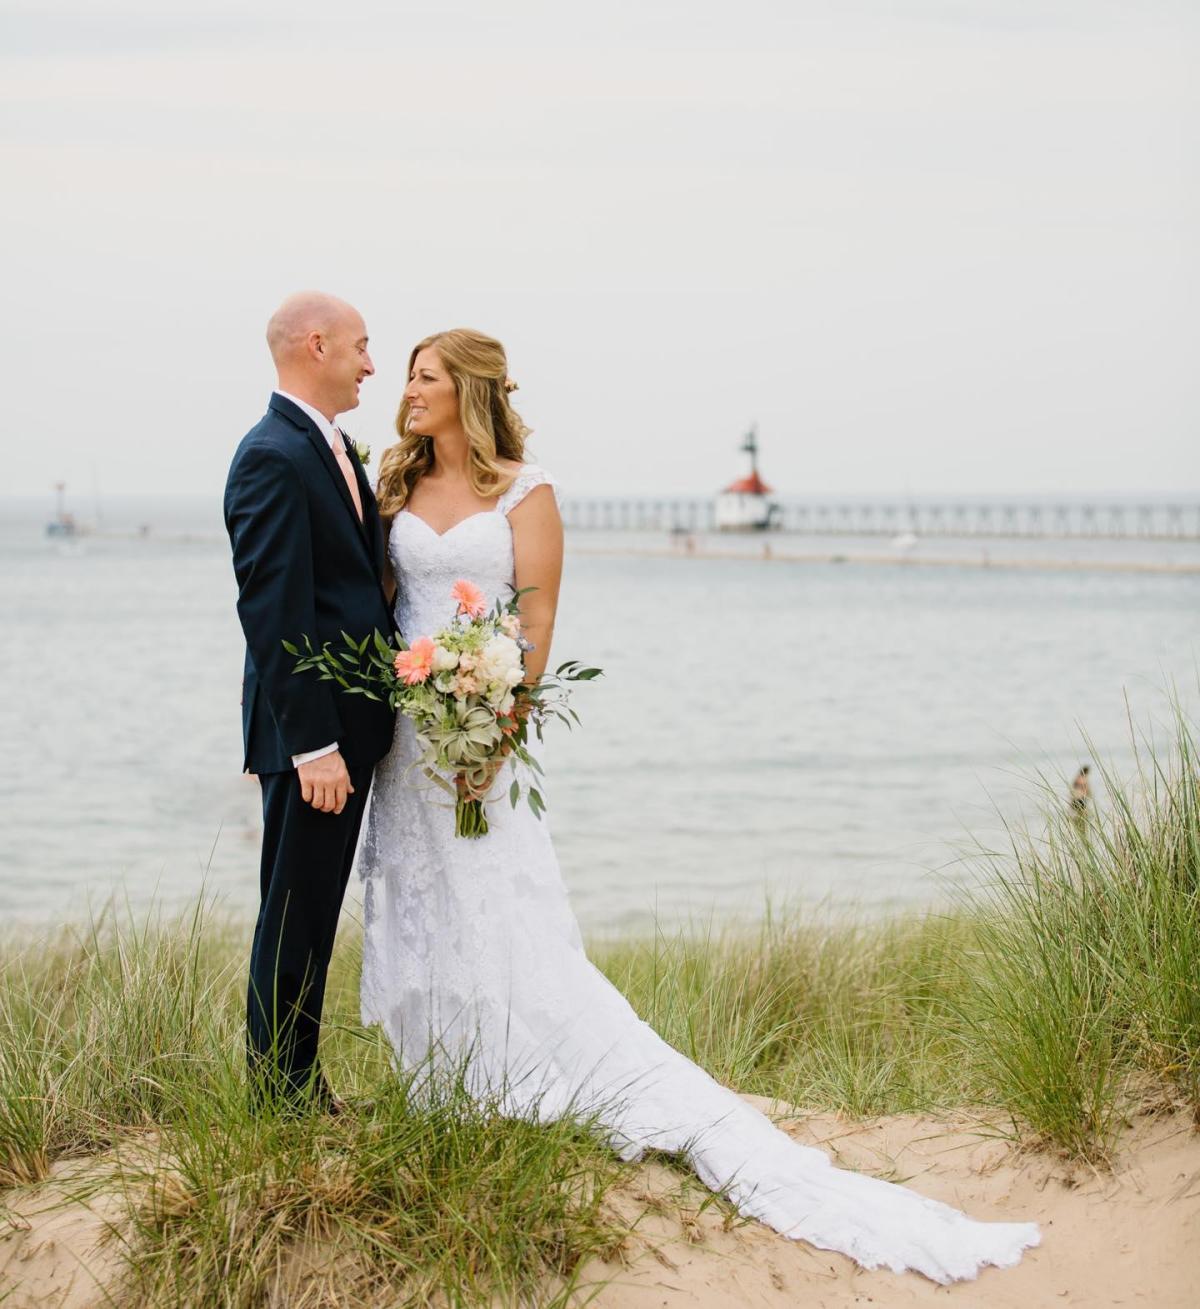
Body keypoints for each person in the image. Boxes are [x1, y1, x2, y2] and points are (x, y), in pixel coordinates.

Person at [356, 328, 1040, 1283]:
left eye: (424, 376)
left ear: (467, 388)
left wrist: (494, 732)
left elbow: (537, 623)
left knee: (494, 897)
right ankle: (441, 1080)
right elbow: (376, 604)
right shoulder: (392, 485)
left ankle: (513, 1068)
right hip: (407, 736)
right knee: (424, 896)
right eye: (407, 377)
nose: (407, 390)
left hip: (478, 734)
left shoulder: (525, 489)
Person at [224, 292, 395, 1111]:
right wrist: (315, 744)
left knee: (313, 914)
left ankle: (298, 1084)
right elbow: (274, 609)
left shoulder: (323, 446)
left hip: (343, 729)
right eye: (361, 347)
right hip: (312, 737)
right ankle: (281, 1098)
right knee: (294, 917)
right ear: (316, 345)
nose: (371, 364)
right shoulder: (271, 455)